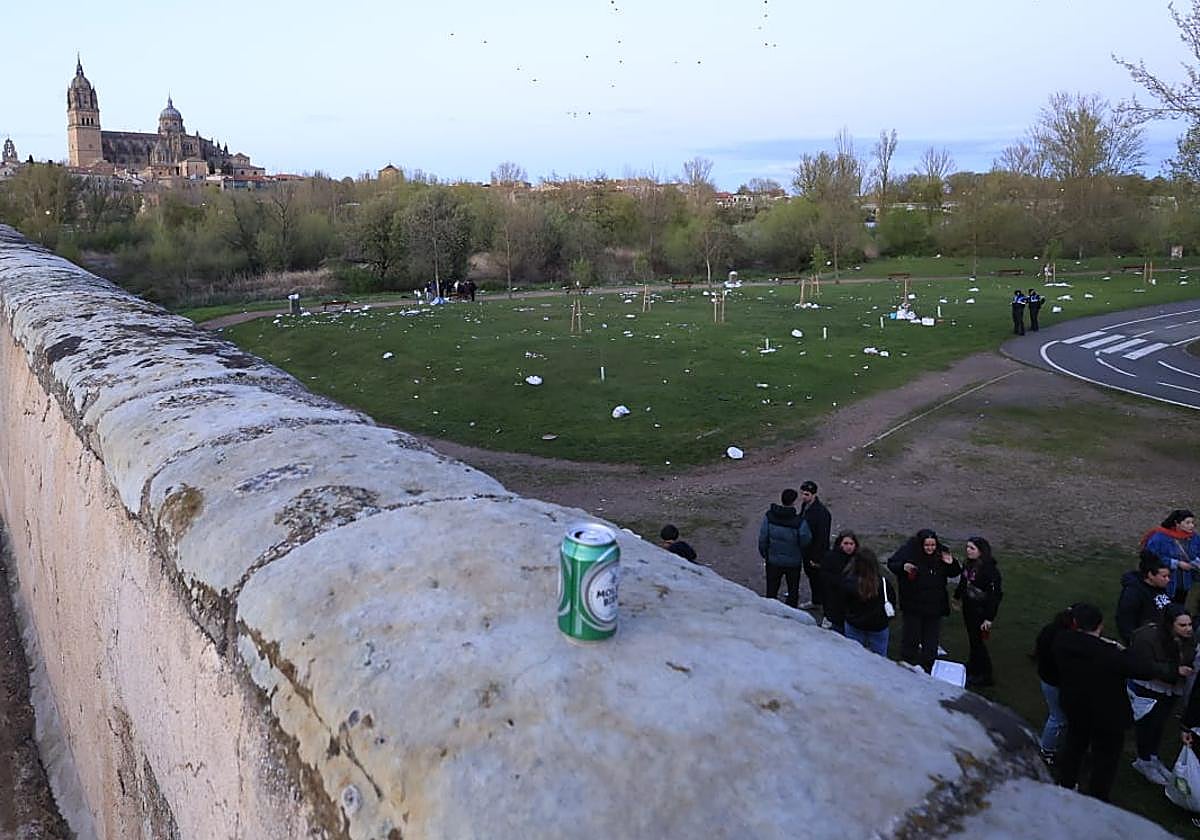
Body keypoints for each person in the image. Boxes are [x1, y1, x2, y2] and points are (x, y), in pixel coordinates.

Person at [1054, 602, 1156, 802]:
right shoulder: (1110, 654)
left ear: (1075, 623)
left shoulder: (1062, 641)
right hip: (1108, 715)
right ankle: (1097, 797)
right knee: (1106, 759)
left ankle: (1066, 783)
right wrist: (1122, 649)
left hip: (1075, 706)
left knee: (1074, 745)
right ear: (1100, 625)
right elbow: (1144, 670)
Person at [1129, 604, 1196, 784]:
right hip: (1149, 688)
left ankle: (1152, 757)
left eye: (1189, 624)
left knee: (1159, 724)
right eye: (1183, 625)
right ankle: (1143, 761)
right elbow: (1143, 666)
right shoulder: (1147, 638)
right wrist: (1175, 670)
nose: (1188, 629)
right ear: (1170, 624)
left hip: (1171, 689)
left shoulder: (1188, 639)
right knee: (1147, 724)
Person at [886, 529, 962, 672]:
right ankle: (908, 662)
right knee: (911, 636)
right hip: (913, 604)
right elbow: (892, 564)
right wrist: (903, 567)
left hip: (935, 605)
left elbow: (954, 572)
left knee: (931, 638)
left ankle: (928, 665)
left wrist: (951, 563)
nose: (930, 548)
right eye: (927, 545)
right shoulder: (908, 551)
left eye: (932, 545)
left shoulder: (941, 553)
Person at [953, 536, 1003, 688]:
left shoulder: (990, 570)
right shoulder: (968, 564)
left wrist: (989, 618)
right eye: (967, 547)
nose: (968, 550)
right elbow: (963, 582)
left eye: (972, 548)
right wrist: (957, 597)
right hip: (969, 607)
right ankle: (974, 666)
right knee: (973, 639)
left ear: (981, 551)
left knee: (978, 642)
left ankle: (985, 675)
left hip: (981, 610)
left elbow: (995, 596)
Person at [1033, 606, 1075, 767]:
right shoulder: (1063, 639)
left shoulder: (1049, 630)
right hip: (1054, 681)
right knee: (1058, 717)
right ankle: (1046, 750)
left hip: (1047, 678)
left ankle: (1052, 746)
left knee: (1058, 715)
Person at [758, 488, 812, 608]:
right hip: (793, 562)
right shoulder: (799, 522)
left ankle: (770, 611)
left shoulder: (769, 516)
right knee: (793, 590)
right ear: (793, 502)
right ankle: (791, 612)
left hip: (773, 560)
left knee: (771, 590)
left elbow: (763, 538)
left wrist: (766, 554)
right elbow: (806, 539)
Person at [841, 547, 896, 656]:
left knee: (853, 656)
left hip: (854, 624)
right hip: (878, 625)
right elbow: (892, 600)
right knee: (880, 659)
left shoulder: (848, 581)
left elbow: (842, 602)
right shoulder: (883, 582)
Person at [1140, 509, 1199, 607]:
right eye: (1188, 523)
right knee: (1163, 608)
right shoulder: (1160, 537)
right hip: (1165, 583)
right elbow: (1150, 556)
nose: (1192, 526)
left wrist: (1196, 562)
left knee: (1179, 608)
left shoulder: (1194, 538)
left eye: (1192, 522)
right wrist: (1176, 563)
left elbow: (1197, 553)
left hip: (1184, 584)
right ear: (1177, 523)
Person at [1116, 551, 1173, 644]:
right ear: (1150, 575)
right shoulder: (1133, 593)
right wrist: (1133, 642)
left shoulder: (1160, 588)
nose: (1168, 580)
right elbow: (1125, 622)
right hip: (1143, 641)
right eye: (1164, 576)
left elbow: (1167, 608)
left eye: (1168, 576)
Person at [796, 480, 832, 616]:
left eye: (807, 494)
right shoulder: (806, 506)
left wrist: (817, 557)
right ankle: (816, 601)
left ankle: (826, 608)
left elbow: (822, 538)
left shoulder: (822, 513)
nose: (803, 497)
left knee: (821, 581)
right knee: (813, 578)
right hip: (807, 550)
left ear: (814, 494)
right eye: (802, 494)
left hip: (815, 553)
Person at [819, 531, 859, 634]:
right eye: (845, 543)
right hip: (835, 599)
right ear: (840, 544)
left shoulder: (859, 559)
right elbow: (824, 576)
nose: (849, 547)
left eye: (851, 544)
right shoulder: (831, 557)